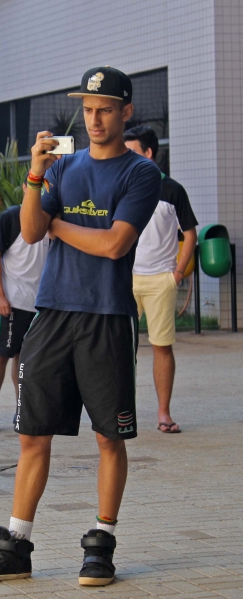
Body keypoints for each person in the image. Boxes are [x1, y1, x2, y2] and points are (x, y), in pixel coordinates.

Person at [0, 67, 161, 587]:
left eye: (105, 110)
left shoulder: (141, 173)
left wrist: (58, 223)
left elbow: (114, 244)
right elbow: (30, 231)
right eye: (88, 110)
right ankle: (15, 546)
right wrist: (34, 176)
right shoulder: (63, 167)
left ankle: (101, 545)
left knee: (108, 438)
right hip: (51, 315)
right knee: (32, 435)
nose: (95, 119)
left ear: (125, 111)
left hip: (107, 317)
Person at [124, 125, 198, 434]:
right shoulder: (122, 185)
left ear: (148, 153)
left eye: (131, 152)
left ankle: (163, 413)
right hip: (124, 279)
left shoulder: (172, 190)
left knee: (161, 347)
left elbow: (190, 234)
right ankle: (121, 412)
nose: (124, 157)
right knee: (119, 348)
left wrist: (177, 274)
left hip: (160, 281)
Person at [0, 205, 48, 432]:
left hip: (38, 302)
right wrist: (0, 296)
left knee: (25, 357)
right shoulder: (10, 218)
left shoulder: (52, 219)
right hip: (11, 299)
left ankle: (22, 409)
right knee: (1, 355)